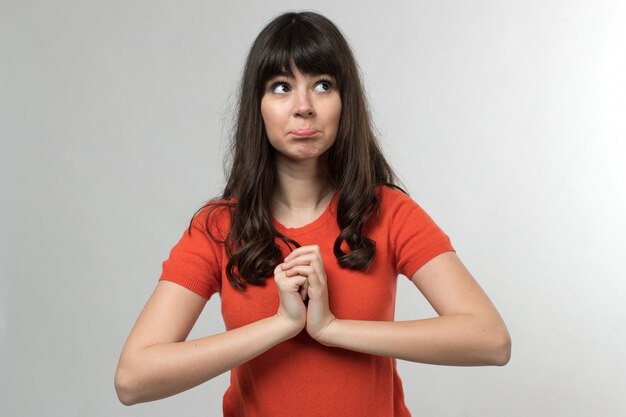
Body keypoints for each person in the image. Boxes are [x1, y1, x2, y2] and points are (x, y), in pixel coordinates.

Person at [114, 11, 511, 416]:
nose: (303, 107)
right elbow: (133, 379)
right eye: (281, 87)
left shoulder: (390, 212)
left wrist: (332, 329)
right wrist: (280, 325)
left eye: (322, 85)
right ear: (259, 105)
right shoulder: (218, 228)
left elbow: (490, 340)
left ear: (345, 101)